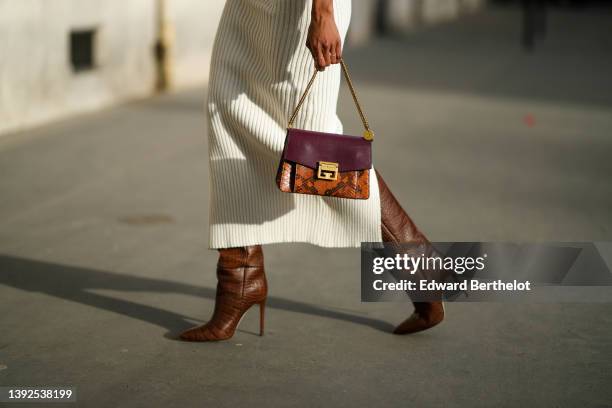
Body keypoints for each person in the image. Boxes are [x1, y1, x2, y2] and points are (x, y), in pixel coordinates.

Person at [179, 0, 444, 342]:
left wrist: (323, 12)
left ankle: (422, 272)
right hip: (247, 10)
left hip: (299, 11)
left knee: (318, 155)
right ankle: (240, 281)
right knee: (229, 118)